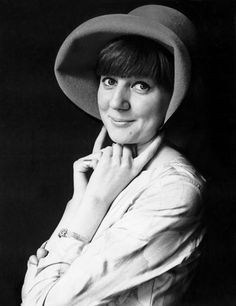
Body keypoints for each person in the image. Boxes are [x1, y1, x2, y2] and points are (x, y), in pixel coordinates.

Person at [21, 4, 206, 306]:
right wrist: (79, 200)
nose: (117, 102)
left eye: (140, 85)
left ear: (175, 95)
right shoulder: (108, 169)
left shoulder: (174, 191)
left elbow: (44, 301)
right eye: (109, 81)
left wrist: (90, 203)